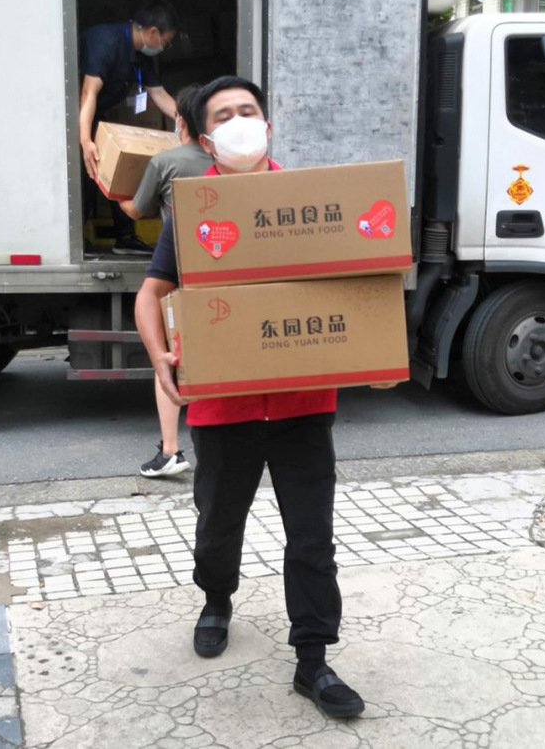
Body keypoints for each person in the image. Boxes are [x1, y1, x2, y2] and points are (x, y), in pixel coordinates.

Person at [135, 75, 390, 719]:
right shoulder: (192, 213)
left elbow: (364, 280)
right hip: (224, 409)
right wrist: (160, 356)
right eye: (223, 115)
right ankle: (216, 598)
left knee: (312, 538)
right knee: (218, 526)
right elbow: (152, 293)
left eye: (248, 110)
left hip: (305, 405)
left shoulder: (310, 204)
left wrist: (379, 349)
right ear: (205, 140)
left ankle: (313, 660)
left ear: (268, 126)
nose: (239, 122)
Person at [114, 84, 212, 477]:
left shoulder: (165, 161)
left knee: (169, 357)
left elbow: (137, 211)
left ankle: (170, 450)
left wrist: (110, 188)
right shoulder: (227, 163)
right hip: (221, 269)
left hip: (178, 270)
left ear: (180, 121)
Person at [79, 0, 180, 256]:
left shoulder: (139, 55)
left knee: (120, 166)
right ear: (153, 32)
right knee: (88, 172)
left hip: (96, 113)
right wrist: (85, 140)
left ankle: (125, 238)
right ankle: (78, 241)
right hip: (76, 113)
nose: (164, 47)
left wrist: (188, 122)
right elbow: (88, 92)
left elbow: (159, 94)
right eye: (167, 42)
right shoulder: (106, 41)